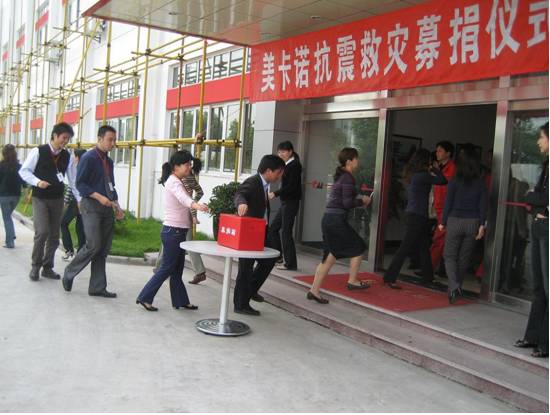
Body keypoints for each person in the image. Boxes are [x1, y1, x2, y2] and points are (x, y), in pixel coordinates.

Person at [136, 150, 208, 311]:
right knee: (167, 268)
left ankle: (181, 301)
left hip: (177, 232)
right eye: (186, 164)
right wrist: (197, 205)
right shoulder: (174, 182)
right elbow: (183, 198)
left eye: (190, 164)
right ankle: (144, 297)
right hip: (173, 232)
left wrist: (194, 208)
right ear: (176, 167)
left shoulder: (177, 180)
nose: (189, 167)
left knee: (176, 270)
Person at [61, 125, 125, 298]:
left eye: (115, 140)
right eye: (110, 139)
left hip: (107, 208)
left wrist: (117, 207)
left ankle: (97, 287)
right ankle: (69, 272)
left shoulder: (108, 161)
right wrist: (99, 197)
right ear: (100, 139)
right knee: (94, 244)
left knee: (103, 248)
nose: (113, 143)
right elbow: (80, 184)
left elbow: (111, 186)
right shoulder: (88, 158)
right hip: (91, 206)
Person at [307, 148, 372, 304]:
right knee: (359, 247)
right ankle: (353, 281)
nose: (358, 161)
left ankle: (314, 291)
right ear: (349, 161)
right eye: (356, 158)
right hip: (336, 220)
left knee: (329, 256)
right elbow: (347, 203)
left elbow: (343, 198)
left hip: (329, 219)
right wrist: (363, 201)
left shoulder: (342, 176)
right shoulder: (348, 177)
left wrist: (359, 198)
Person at [384, 148, 447, 288]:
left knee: (424, 248)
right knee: (405, 248)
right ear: (425, 160)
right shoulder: (423, 175)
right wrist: (435, 169)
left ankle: (428, 278)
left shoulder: (413, 174)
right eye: (429, 159)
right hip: (418, 216)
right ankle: (389, 277)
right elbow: (443, 180)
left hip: (415, 215)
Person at [19, 122, 73, 281]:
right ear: (55, 135)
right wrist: (37, 182)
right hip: (40, 198)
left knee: (55, 236)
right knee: (42, 232)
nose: (65, 141)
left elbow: (72, 178)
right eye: (64, 138)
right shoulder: (38, 151)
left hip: (57, 199)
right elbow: (24, 171)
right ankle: (35, 266)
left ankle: (47, 267)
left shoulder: (67, 155)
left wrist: (79, 197)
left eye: (68, 139)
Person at [233, 154, 285, 316]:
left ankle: (250, 290)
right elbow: (240, 194)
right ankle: (241, 305)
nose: (280, 176)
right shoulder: (253, 182)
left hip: (261, 230)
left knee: (270, 259)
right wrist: (241, 203)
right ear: (269, 171)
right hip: (249, 231)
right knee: (246, 268)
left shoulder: (265, 185)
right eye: (278, 172)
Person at [515, 122, 549, 358]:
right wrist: (537, 201)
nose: (538, 141)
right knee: (538, 287)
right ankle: (533, 337)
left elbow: (542, 197)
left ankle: (545, 343)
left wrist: (534, 199)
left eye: (541, 137)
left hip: (547, 227)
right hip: (540, 225)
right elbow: (539, 198)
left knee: (547, 287)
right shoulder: (546, 165)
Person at [439, 146, 488, 304]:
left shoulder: (454, 181)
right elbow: (483, 206)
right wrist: (482, 225)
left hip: (455, 220)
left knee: (449, 256)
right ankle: (455, 289)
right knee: (464, 258)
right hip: (473, 222)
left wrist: (443, 222)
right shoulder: (481, 183)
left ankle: (454, 286)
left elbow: (448, 203)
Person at [268, 141, 302, 271]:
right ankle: (279, 257)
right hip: (286, 202)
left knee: (286, 232)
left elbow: (291, 187)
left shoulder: (294, 165)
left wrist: (275, 193)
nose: (280, 154)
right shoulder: (287, 165)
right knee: (273, 228)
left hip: (291, 202)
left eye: (283, 151)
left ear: (290, 151)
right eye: (279, 152)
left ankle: (290, 263)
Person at [430, 141, 456, 275]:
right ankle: (439, 269)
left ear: (448, 153)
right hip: (438, 206)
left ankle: (430, 268)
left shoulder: (452, 168)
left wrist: (435, 171)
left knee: (439, 239)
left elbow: (447, 182)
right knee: (442, 240)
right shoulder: (439, 167)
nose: (437, 153)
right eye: (437, 150)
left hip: (446, 208)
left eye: (440, 150)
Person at [60, 148, 87, 261]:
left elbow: (74, 186)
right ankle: (74, 251)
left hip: (83, 200)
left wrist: (77, 201)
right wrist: (66, 201)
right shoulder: (73, 166)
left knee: (70, 224)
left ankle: (76, 251)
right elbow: (71, 186)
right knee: (76, 226)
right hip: (78, 200)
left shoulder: (82, 168)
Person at [0, 144, 25, 248]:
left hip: (4, 195)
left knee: (7, 218)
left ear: (3, 153)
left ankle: (10, 242)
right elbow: (24, 181)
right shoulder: (19, 166)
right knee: (8, 216)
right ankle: (12, 234)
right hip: (16, 196)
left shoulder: (1, 166)